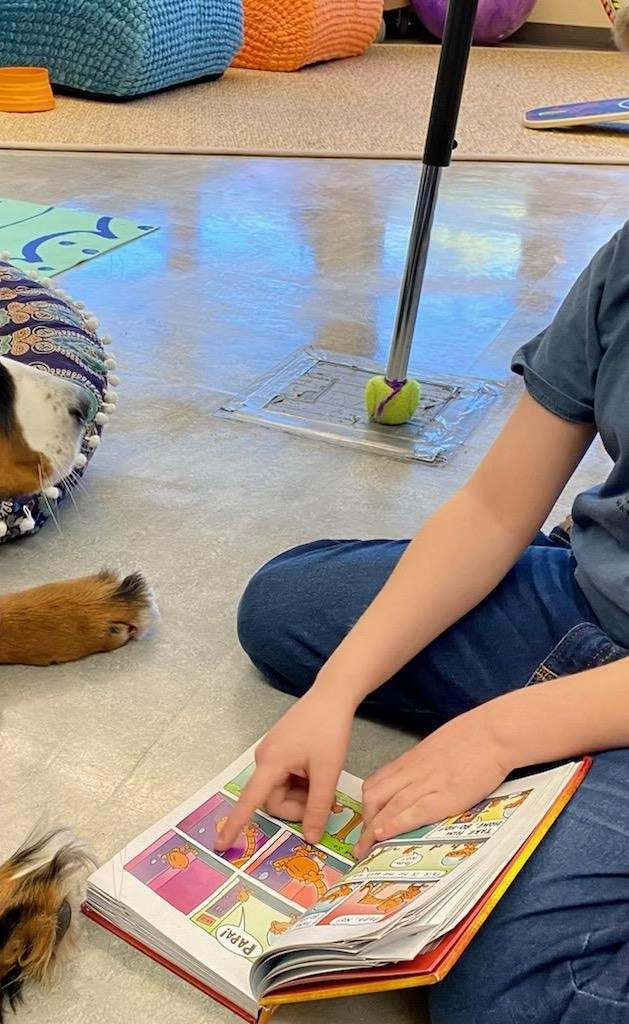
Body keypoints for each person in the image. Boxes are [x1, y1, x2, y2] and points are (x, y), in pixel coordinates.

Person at [219, 211, 629, 1020]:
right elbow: (491, 507)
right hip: (589, 602)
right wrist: (333, 694)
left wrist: (503, 732)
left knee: (505, 998)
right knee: (286, 605)